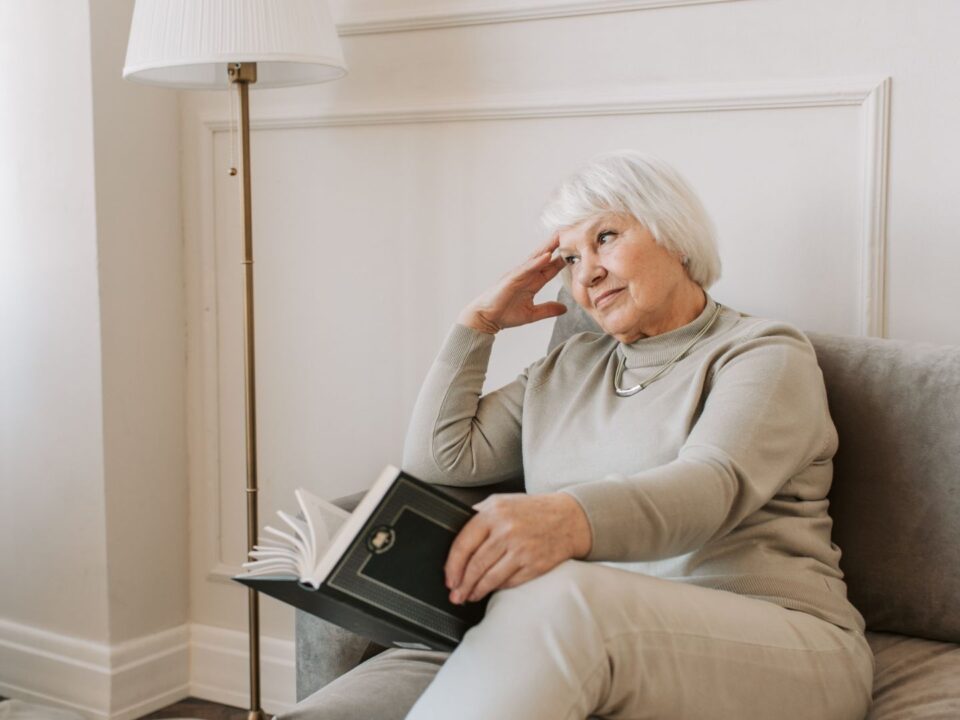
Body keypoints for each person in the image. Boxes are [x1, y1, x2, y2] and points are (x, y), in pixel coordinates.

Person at [287, 151, 874, 719]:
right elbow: (442, 460)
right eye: (568, 258)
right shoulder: (570, 366)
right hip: (595, 639)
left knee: (563, 596)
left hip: (782, 644)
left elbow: (709, 488)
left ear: (674, 233)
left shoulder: (764, 355)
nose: (587, 272)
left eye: (606, 238)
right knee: (556, 602)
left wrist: (564, 520)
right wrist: (477, 326)